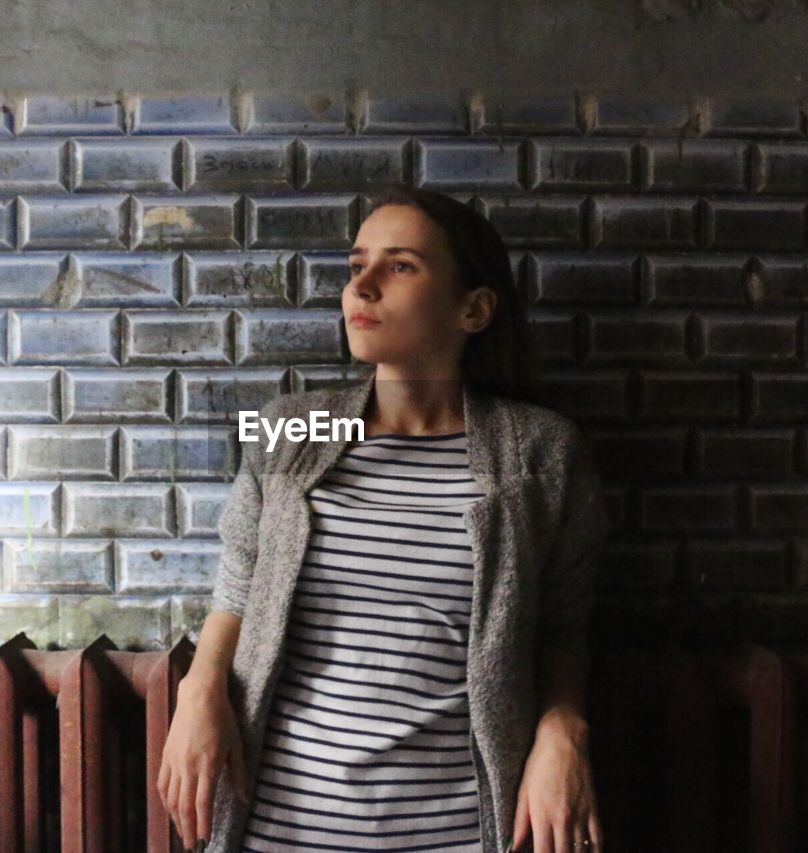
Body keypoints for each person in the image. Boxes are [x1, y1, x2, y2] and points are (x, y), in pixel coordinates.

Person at [157, 184, 608, 852]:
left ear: (473, 308)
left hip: (455, 831)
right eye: (356, 264)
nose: (361, 286)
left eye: (400, 266)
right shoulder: (290, 427)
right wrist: (200, 691)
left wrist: (562, 730)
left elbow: (563, 626)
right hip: (282, 827)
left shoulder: (541, 449)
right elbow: (239, 586)